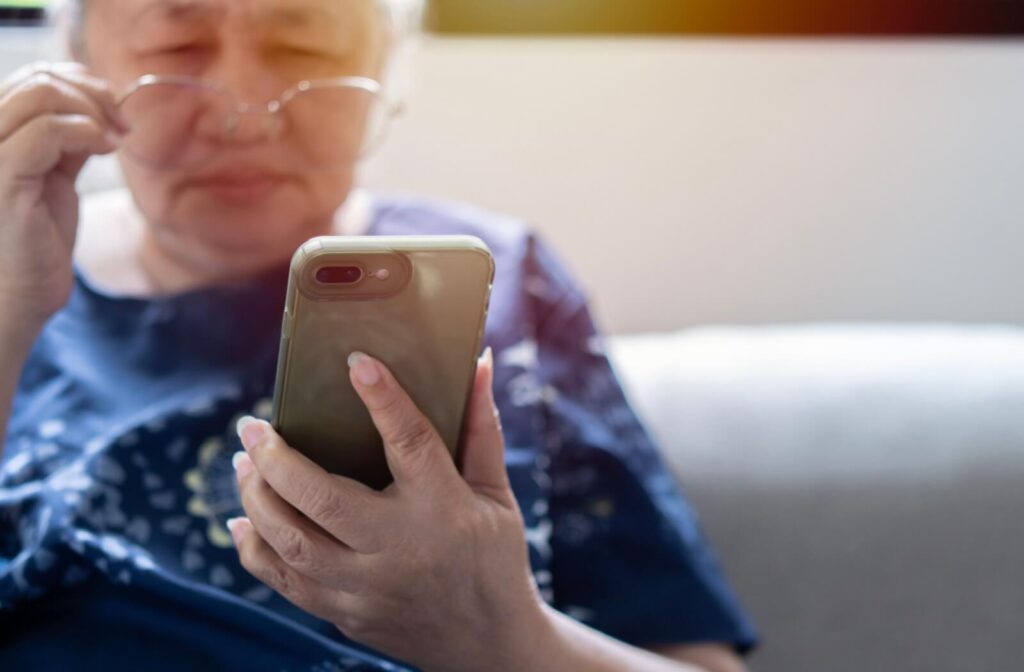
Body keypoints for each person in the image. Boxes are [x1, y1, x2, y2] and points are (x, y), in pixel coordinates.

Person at [0, 0, 758, 669]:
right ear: (82, 71)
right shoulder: (18, 270)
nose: (249, 106)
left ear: (385, 71)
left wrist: (500, 637)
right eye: (175, 49)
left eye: (306, 50)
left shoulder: (507, 285)